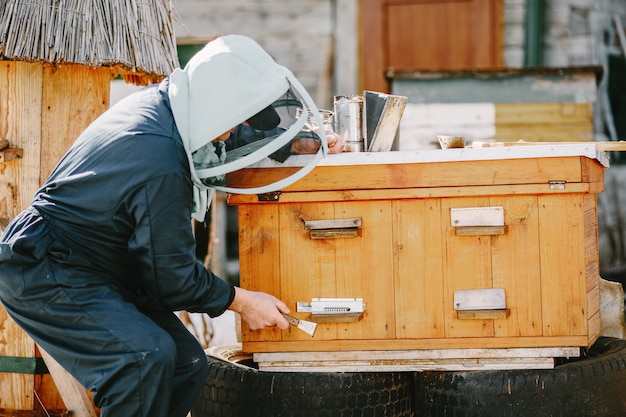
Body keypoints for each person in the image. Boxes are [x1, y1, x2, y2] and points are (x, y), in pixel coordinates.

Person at [0, 35, 324, 417]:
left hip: (97, 264)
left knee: (187, 364)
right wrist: (244, 301)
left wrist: (298, 143)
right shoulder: (160, 161)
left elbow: (230, 135)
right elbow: (172, 278)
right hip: (46, 268)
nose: (230, 133)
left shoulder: (177, 104)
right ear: (219, 107)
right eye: (234, 121)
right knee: (140, 361)